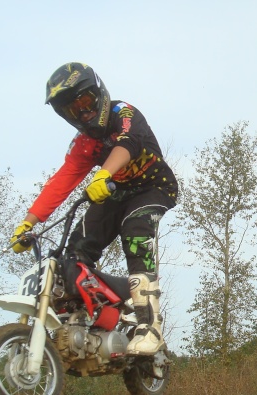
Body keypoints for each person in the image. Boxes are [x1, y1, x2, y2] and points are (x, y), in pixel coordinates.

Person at [10, 62, 177, 356]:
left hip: (153, 187)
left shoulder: (123, 113)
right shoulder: (84, 142)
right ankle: (88, 317)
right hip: (115, 193)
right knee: (75, 250)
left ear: (98, 93)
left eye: (85, 102)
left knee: (135, 231)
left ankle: (149, 326)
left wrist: (104, 173)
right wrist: (28, 222)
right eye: (72, 110)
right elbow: (62, 180)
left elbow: (128, 143)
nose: (83, 113)